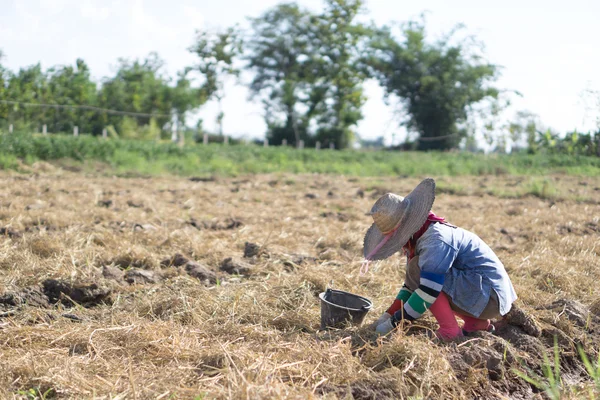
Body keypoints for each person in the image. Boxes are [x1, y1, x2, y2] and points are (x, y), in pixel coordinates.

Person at [362, 178, 517, 340]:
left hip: (490, 297)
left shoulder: (434, 239)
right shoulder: (420, 235)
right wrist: (387, 315)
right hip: (486, 295)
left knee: (420, 273)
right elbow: (410, 286)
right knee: (421, 274)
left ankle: (449, 331)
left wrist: (393, 324)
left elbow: (428, 290)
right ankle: (475, 323)